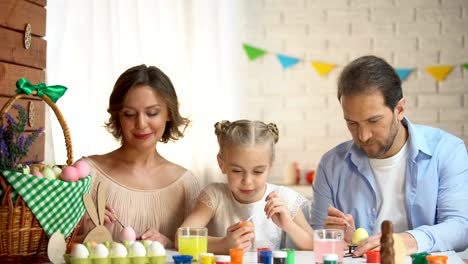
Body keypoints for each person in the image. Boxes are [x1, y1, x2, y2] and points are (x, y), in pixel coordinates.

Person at [310, 55, 468, 256]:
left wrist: (406, 241)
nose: (363, 136)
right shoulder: (331, 164)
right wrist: (336, 237)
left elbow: (461, 228)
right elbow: (316, 235)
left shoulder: (447, 151)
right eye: (352, 123)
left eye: (373, 121)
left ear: (400, 109)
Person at [81, 64, 201, 248]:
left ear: (169, 113)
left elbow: (198, 254)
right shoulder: (88, 173)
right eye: (129, 114)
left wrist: (169, 244)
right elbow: (53, 249)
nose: (141, 124)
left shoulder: (185, 184)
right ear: (118, 116)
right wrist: (84, 233)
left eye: (152, 113)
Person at [177, 120, 314, 254]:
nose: (247, 181)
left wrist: (288, 225)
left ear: (270, 166)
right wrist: (223, 244)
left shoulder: (283, 197)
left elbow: (314, 244)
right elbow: (180, 239)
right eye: (237, 171)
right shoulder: (215, 196)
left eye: (258, 171)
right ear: (222, 164)